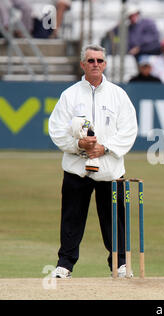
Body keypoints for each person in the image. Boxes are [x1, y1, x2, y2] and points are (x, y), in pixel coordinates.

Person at [48, 44, 138, 278]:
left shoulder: (118, 95)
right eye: (90, 60)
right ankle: (65, 264)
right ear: (82, 64)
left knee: (114, 221)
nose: (95, 64)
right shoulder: (70, 95)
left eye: (99, 60)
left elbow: (129, 130)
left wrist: (104, 148)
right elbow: (57, 130)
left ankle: (119, 264)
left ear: (105, 64)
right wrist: (79, 145)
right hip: (77, 170)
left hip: (110, 170)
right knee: (71, 219)